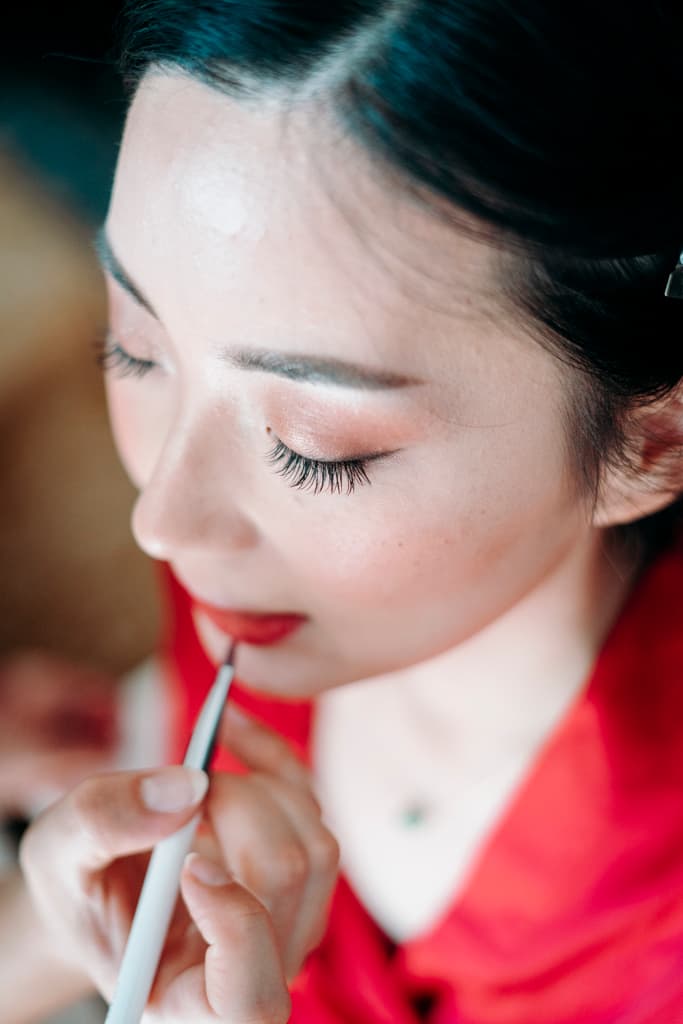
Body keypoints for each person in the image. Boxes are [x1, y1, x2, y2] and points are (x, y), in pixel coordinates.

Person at [13, 1, 683, 1021]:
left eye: (313, 447)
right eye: (137, 347)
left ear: (650, 443)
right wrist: (55, 930)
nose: (164, 521)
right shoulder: (261, 596)